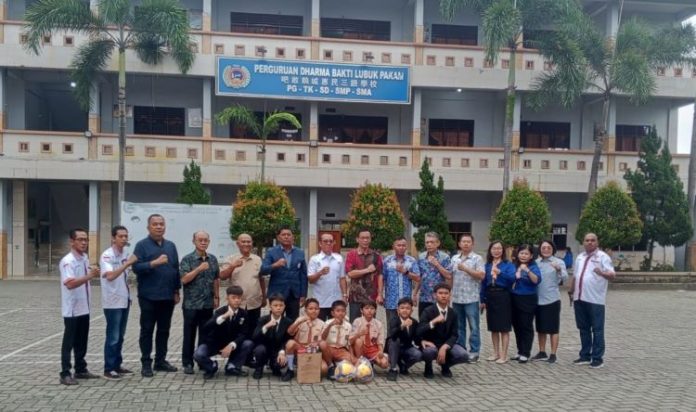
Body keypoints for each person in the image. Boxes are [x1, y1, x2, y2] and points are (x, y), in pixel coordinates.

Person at [132, 214, 181, 377]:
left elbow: (175, 270)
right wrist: (153, 263)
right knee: (147, 330)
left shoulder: (171, 246)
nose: (159, 227)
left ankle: (161, 361)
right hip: (148, 296)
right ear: (148, 227)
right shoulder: (141, 246)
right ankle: (146, 363)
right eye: (155, 224)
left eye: (161, 224)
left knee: (164, 330)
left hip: (167, 296)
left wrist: (176, 291)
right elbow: (136, 267)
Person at [59, 228, 100, 385]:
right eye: (80, 239)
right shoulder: (67, 261)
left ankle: (81, 369)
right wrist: (89, 276)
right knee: (69, 342)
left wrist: (92, 272)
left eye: (86, 239)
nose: (84, 242)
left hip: (84, 307)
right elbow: (69, 284)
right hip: (72, 309)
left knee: (82, 340)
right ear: (72, 241)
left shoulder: (84, 258)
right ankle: (65, 372)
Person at [569, 233, 615, 369]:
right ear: (583, 242)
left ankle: (597, 357)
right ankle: (585, 355)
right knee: (583, 328)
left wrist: (602, 273)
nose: (590, 242)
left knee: (597, 329)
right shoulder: (580, 257)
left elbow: (612, 275)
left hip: (595, 299)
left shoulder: (603, 257)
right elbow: (576, 275)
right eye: (587, 240)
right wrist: (571, 291)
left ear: (597, 242)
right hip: (579, 297)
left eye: (592, 240)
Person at [179, 230, 220, 375]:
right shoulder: (187, 259)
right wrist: (198, 269)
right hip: (191, 305)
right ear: (194, 241)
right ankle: (187, 362)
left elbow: (216, 278)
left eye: (206, 240)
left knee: (205, 335)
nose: (203, 242)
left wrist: (216, 296)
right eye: (200, 240)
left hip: (207, 304)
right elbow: (184, 279)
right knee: (189, 335)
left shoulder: (213, 259)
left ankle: (202, 360)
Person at [100, 225, 138, 380]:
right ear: (113, 238)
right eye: (121, 236)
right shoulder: (107, 256)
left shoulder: (125, 253)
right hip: (112, 302)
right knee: (113, 336)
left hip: (124, 300)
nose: (124, 239)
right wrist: (127, 264)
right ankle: (108, 368)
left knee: (120, 336)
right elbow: (110, 276)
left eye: (126, 236)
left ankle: (117, 364)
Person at [194, 286, 255, 378]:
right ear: (227, 298)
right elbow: (207, 327)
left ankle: (232, 366)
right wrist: (223, 317)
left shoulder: (244, 314)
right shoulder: (220, 311)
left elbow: (243, 333)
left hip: (232, 345)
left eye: (238, 298)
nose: (236, 300)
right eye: (233, 298)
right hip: (214, 343)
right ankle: (212, 366)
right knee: (198, 354)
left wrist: (232, 345)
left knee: (248, 343)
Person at [416, 283, 469, 378]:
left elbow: (454, 334)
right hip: (431, 343)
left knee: (463, 355)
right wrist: (433, 321)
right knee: (429, 352)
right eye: (440, 293)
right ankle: (428, 367)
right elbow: (419, 330)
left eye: (446, 293)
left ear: (450, 295)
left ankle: (445, 365)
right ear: (434, 295)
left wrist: (445, 347)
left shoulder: (453, 313)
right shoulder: (428, 311)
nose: (443, 295)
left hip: (446, 343)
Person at [450, 234, 485, 363]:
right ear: (459, 244)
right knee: (459, 326)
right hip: (457, 298)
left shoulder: (477, 258)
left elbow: (481, 275)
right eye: (463, 242)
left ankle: (474, 351)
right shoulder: (454, 258)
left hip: (472, 298)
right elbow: (451, 277)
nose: (465, 244)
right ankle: (461, 350)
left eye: (468, 242)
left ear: (472, 244)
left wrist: (466, 268)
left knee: (474, 326)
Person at [480, 240, 516, 364]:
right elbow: (483, 283)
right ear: (490, 250)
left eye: (499, 248)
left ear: (503, 250)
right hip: (490, 295)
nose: (496, 251)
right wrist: (482, 299)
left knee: (504, 327)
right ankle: (495, 353)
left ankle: (504, 355)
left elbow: (512, 278)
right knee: (493, 326)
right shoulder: (487, 265)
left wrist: (500, 273)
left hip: (503, 295)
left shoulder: (508, 264)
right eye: (494, 248)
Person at [533, 240, 568, 364]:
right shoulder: (536, 262)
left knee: (553, 328)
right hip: (538, 300)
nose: (546, 249)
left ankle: (553, 354)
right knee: (541, 328)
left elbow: (565, 278)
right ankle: (542, 352)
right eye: (543, 247)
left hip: (552, 299)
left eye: (548, 247)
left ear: (553, 249)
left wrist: (558, 270)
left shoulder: (559, 262)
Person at [220, 233, 265, 333]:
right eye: (243, 241)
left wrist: (264, 297)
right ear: (237, 243)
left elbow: (261, 279)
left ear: (252, 243)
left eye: (248, 241)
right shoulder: (231, 259)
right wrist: (233, 266)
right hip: (237, 304)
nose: (246, 244)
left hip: (254, 303)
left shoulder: (257, 259)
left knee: (254, 331)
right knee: (237, 331)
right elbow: (222, 276)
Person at [261, 226, 307, 320]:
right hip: (277, 293)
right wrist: (275, 265)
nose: (286, 237)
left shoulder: (300, 252)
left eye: (289, 234)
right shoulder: (271, 252)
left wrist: (303, 294)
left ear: (293, 237)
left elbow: (303, 274)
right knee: (275, 321)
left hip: (294, 293)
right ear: (278, 237)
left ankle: (290, 335)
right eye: (283, 235)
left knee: (293, 321)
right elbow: (263, 270)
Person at [510, 244, 542, 363]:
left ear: (531, 256)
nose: (523, 256)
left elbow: (536, 280)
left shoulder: (533, 267)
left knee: (526, 326)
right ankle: (520, 351)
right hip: (514, 298)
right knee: (517, 326)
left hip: (528, 299)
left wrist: (526, 270)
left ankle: (526, 353)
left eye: (526, 254)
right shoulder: (514, 266)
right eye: (521, 253)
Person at [282, 298, 327, 381]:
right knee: (290, 343)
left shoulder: (322, 323)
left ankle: (307, 368)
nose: (314, 311)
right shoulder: (300, 320)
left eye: (316, 309)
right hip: (300, 348)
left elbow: (323, 340)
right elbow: (290, 332)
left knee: (324, 369)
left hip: (313, 350)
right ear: (305, 310)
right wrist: (299, 322)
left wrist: (316, 343)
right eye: (311, 309)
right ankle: (290, 369)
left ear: (319, 310)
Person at [345, 228, 383, 321]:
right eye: (362, 238)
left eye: (367, 238)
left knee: (370, 324)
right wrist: (367, 270)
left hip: (371, 297)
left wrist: (380, 294)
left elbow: (380, 275)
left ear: (370, 239)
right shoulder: (351, 254)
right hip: (355, 297)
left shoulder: (376, 256)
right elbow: (350, 273)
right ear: (357, 239)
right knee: (354, 324)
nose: (365, 240)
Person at [382, 236, 420, 329]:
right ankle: (391, 344)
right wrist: (380, 294)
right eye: (398, 245)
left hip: (405, 302)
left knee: (406, 328)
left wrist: (405, 271)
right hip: (391, 301)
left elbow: (418, 278)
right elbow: (382, 278)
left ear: (406, 247)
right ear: (393, 246)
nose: (401, 247)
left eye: (403, 245)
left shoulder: (411, 261)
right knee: (391, 328)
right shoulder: (387, 261)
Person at [251, 294, 292, 380]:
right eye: (275, 305)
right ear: (270, 307)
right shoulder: (263, 319)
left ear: (284, 306)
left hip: (277, 351)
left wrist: (282, 352)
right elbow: (255, 336)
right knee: (259, 350)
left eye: (281, 305)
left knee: (280, 365)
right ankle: (259, 368)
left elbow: (286, 340)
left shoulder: (288, 322)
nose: (278, 308)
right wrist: (266, 326)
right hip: (264, 349)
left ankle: (274, 367)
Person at [307, 233, 347, 320]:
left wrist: (344, 296)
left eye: (331, 241)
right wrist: (320, 273)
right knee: (320, 328)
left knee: (335, 328)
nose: (328, 243)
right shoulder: (314, 259)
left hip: (336, 301)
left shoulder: (339, 258)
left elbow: (342, 278)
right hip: (320, 301)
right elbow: (310, 280)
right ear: (320, 243)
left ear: (334, 243)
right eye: (325, 241)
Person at [416, 232, 453, 318]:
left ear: (438, 243)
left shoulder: (445, 257)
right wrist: (414, 294)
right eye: (427, 242)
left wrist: (437, 265)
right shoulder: (421, 257)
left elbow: (449, 276)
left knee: (439, 325)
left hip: (439, 298)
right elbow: (419, 277)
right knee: (423, 324)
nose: (429, 244)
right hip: (424, 297)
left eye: (432, 242)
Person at [386, 297, 423, 381]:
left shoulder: (414, 322)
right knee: (395, 341)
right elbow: (392, 335)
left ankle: (403, 366)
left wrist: (422, 341)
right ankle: (393, 369)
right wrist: (402, 326)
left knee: (418, 354)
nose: (405, 310)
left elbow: (416, 338)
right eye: (402, 308)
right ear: (398, 310)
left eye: (407, 308)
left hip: (406, 347)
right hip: (393, 347)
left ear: (412, 311)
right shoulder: (394, 320)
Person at [349, 301, 389, 370]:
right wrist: (359, 334)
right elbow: (349, 340)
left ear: (375, 310)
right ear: (361, 310)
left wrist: (381, 351)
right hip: (360, 349)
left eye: (372, 308)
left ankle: (371, 362)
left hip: (372, 349)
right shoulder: (357, 321)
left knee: (384, 364)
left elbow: (380, 341)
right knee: (358, 341)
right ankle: (360, 361)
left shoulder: (378, 324)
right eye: (366, 308)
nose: (369, 311)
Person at [319, 300, 356, 373]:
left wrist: (352, 356)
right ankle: (330, 366)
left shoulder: (348, 325)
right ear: (333, 313)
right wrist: (330, 326)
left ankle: (337, 364)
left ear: (345, 313)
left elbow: (349, 342)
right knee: (322, 344)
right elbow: (322, 338)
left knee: (352, 363)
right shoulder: (327, 323)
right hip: (329, 349)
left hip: (341, 350)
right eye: (338, 311)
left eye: (343, 311)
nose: (340, 313)